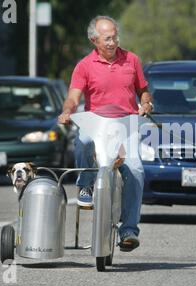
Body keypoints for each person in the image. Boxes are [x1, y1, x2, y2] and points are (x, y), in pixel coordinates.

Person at [58, 16, 152, 252]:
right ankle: (86, 185)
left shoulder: (132, 60)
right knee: (84, 139)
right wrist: (67, 111)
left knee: (136, 169)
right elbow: (73, 97)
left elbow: (144, 91)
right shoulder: (84, 66)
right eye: (107, 38)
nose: (113, 42)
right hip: (97, 122)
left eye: (115, 37)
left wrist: (146, 104)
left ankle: (129, 230)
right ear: (94, 40)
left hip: (126, 123)